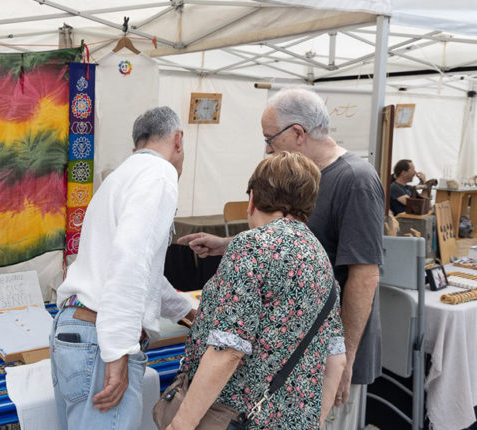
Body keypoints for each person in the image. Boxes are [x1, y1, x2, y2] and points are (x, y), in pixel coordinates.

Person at [179, 88, 385, 430]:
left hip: (322, 359)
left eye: (270, 138)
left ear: (298, 133)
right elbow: (285, 246)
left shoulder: (355, 180)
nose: (267, 148)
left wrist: (345, 359)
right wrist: (226, 244)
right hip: (294, 365)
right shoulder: (305, 181)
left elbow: (365, 276)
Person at [165, 152, 346, 430]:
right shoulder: (320, 259)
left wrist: (181, 425)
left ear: (252, 199)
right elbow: (336, 358)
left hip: (236, 418)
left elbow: (227, 350)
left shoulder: (250, 247)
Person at [52, 106, 196, 430]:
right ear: (178, 140)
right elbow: (130, 259)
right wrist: (117, 351)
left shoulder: (120, 176)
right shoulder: (160, 174)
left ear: (136, 147)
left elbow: (139, 269)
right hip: (99, 337)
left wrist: (186, 311)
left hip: (76, 326)